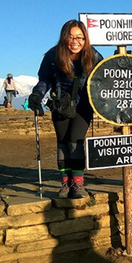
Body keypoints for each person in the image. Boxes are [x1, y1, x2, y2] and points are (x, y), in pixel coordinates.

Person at [28, 19, 103, 199]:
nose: (75, 41)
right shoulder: (52, 56)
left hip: (84, 105)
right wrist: (37, 94)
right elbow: (45, 80)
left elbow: (104, 78)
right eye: (71, 37)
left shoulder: (93, 56)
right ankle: (65, 183)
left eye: (80, 37)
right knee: (62, 142)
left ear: (85, 39)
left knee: (75, 141)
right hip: (60, 105)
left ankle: (77, 184)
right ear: (64, 38)